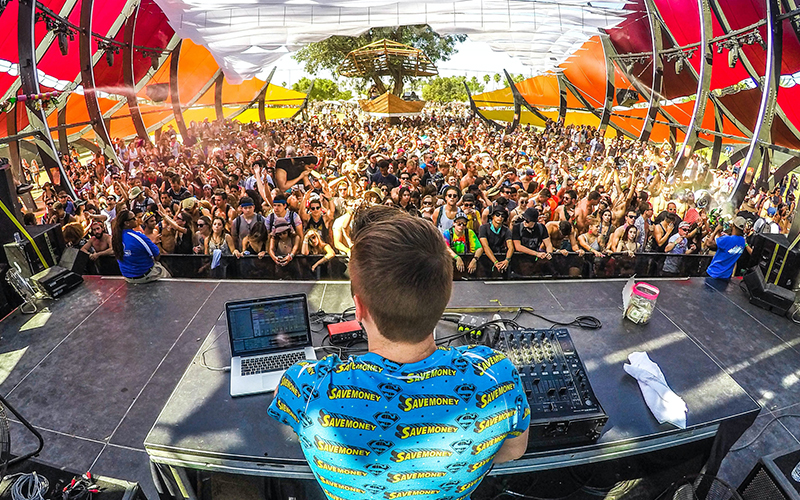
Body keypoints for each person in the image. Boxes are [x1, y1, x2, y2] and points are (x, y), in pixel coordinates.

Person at [268, 211, 530, 499]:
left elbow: (285, 408)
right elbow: (513, 451)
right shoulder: (496, 375)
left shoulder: (307, 384)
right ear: (446, 296)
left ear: (358, 308)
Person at [112, 209, 169, 283]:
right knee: (168, 277)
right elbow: (156, 255)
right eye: (133, 218)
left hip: (127, 277)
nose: (136, 219)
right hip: (144, 276)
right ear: (127, 223)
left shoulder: (116, 238)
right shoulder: (138, 237)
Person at [479, 207, 514, 272]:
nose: (500, 217)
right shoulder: (483, 228)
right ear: (493, 216)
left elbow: (511, 247)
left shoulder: (506, 230)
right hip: (484, 259)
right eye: (497, 215)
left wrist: (507, 260)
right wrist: (495, 262)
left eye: (502, 216)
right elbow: (485, 246)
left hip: (500, 257)